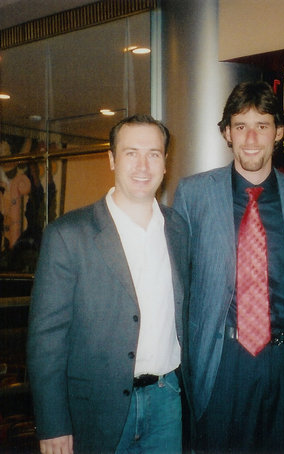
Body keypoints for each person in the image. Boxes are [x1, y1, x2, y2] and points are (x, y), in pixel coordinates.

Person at [27, 114, 190, 454]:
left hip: (165, 401)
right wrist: (53, 423)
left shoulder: (178, 228)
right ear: (112, 159)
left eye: (154, 154)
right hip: (94, 409)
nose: (143, 165)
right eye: (131, 153)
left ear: (165, 163)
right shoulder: (68, 234)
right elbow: (47, 340)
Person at [172, 81, 284, 453]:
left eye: (263, 125)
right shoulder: (193, 194)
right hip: (224, 361)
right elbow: (178, 283)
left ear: (279, 133)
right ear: (226, 133)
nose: (251, 137)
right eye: (240, 126)